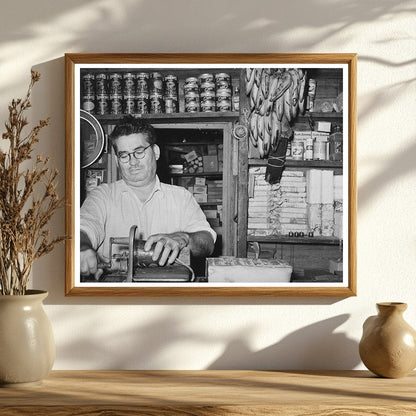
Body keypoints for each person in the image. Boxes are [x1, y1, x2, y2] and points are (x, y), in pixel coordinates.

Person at [80, 116, 216, 279]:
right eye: (124, 155)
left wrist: (184, 238)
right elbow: (84, 227)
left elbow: (207, 242)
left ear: (155, 152)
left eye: (139, 152)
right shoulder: (102, 196)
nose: (132, 162)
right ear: (116, 160)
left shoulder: (181, 197)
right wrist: (82, 247)